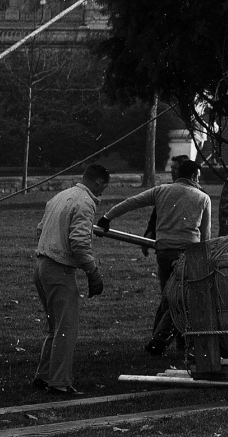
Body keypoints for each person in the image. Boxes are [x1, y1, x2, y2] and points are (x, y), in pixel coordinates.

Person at [100, 155, 212, 357]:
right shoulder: (202, 197)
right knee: (182, 299)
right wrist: (205, 260)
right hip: (187, 254)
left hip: (163, 252)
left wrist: (107, 217)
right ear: (195, 175)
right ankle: (160, 341)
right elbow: (206, 235)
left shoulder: (162, 191)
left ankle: (175, 341)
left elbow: (132, 202)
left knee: (169, 297)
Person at [32, 164, 109, 394]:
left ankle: (44, 376)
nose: (103, 192)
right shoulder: (85, 202)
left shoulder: (61, 196)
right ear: (97, 182)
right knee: (66, 328)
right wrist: (93, 273)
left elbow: (40, 229)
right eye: (104, 186)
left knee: (54, 327)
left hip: (42, 264)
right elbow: (79, 243)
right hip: (59, 268)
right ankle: (59, 383)